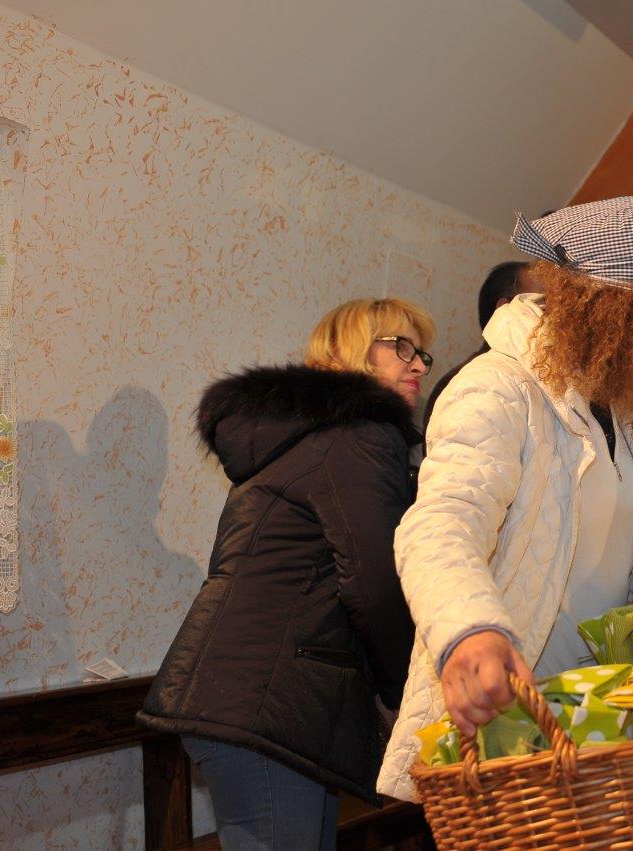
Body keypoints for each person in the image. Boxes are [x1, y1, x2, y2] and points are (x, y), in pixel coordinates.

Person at [378, 196, 633, 802]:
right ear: (619, 306)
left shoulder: (618, 404)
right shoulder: (497, 390)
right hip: (509, 730)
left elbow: (611, 550)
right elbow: (439, 525)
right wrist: (468, 631)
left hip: (595, 723)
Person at [139, 298, 435, 849]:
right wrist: (402, 692)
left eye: (422, 354)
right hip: (267, 703)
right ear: (346, 350)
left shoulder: (314, 437)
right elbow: (374, 583)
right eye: (400, 346)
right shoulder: (358, 434)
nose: (417, 364)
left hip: (259, 699)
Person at [422, 260, 540, 430]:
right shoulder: (470, 383)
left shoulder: (536, 380)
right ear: (504, 309)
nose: (556, 316)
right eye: (540, 304)